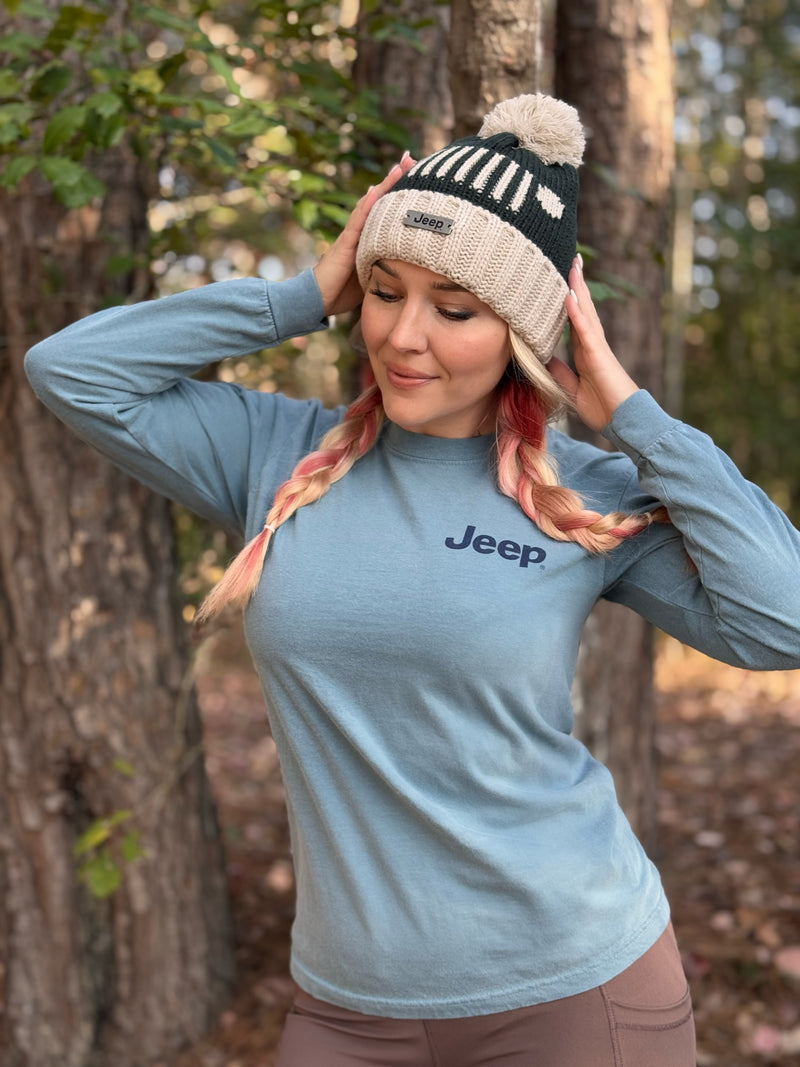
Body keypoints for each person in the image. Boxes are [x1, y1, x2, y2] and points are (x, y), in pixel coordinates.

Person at [24, 94, 800, 1067]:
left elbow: (785, 621)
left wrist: (629, 411)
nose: (400, 336)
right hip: (347, 1008)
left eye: (455, 309)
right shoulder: (279, 456)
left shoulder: (583, 493)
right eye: (384, 290)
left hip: (573, 990)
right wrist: (302, 294)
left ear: (523, 327)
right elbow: (70, 368)